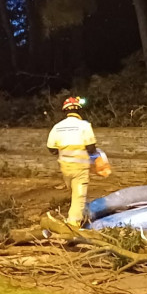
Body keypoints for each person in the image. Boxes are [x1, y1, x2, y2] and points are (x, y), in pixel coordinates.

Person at [47, 96, 105, 227]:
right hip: (80, 168)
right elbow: (91, 148)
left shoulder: (57, 127)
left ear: (65, 111)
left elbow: (51, 148)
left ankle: (81, 213)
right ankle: (73, 226)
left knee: (74, 193)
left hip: (65, 168)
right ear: (79, 111)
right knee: (78, 197)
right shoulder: (84, 126)